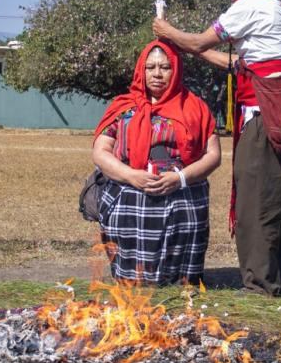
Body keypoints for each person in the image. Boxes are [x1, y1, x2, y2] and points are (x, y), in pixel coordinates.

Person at [153, 0, 281, 296]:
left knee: (257, 200)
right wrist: (183, 44)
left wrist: (168, 30)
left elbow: (199, 39)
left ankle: (260, 285)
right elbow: (239, 65)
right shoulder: (279, 8)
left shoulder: (252, 4)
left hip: (264, 119)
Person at [92, 40, 221, 286]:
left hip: (182, 196)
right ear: (142, 70)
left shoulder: (195, 107)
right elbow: (101, 152)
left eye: (165, 67)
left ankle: (180, 287)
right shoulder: (123, 108)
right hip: (130, 196)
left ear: (176, 70)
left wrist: (180, 178)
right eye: (151, 67)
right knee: (133, 283)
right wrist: (131, 175)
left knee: (179, 281)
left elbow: (213, 155)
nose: (158, 74)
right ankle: (132, 285)